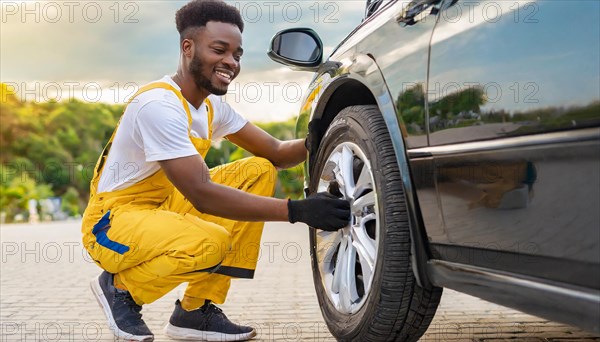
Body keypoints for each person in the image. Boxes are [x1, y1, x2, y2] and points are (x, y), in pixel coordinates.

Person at [80, 0, 350, 341]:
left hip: (161, 208)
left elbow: (278, 154)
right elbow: (202, 193)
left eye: (237, 54)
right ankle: (120, 289)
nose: (231, 63)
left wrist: (325, 128)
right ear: (187, 47)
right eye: (219, 50)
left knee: (259, 170)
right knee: (210, 243)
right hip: (111, 222)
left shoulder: (210, 107)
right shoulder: (159, 105)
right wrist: (297, 211)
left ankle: (195, 311)